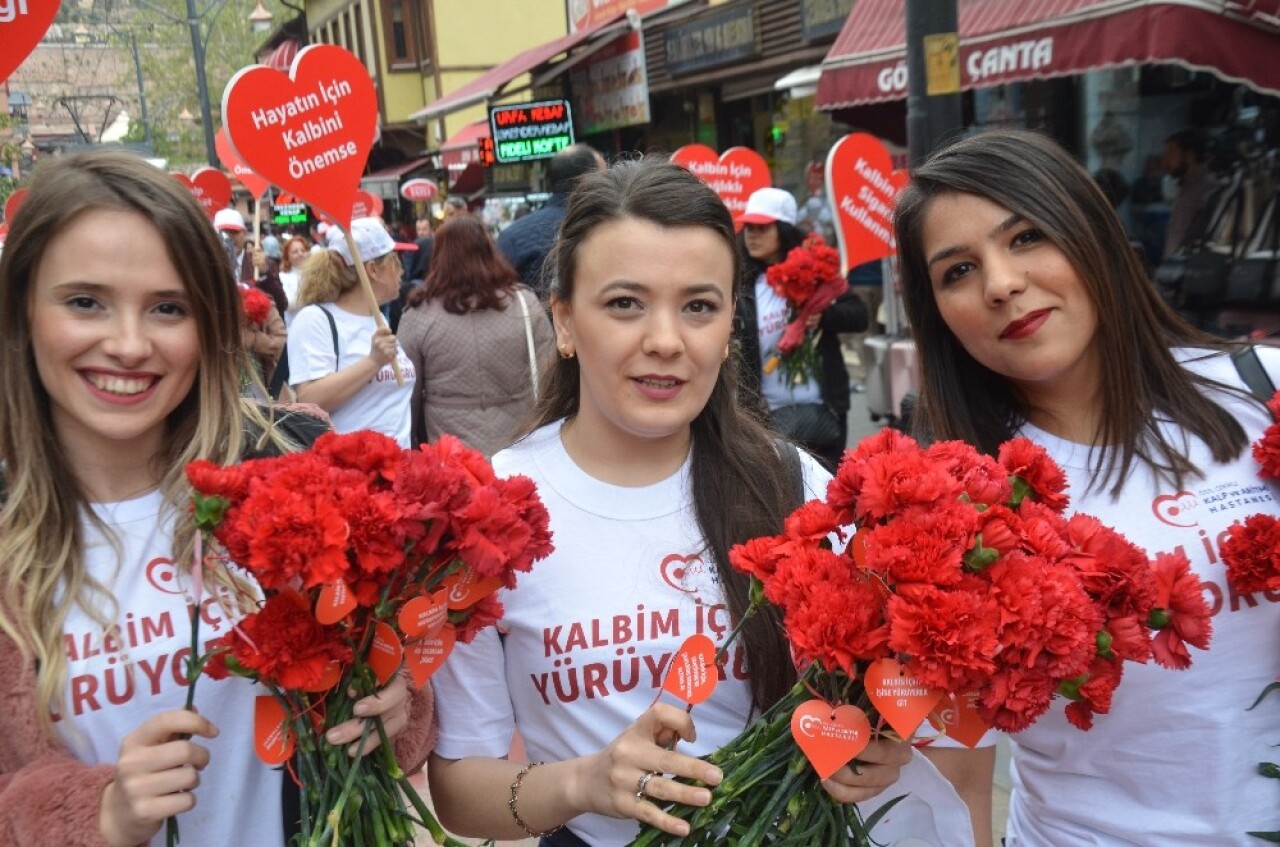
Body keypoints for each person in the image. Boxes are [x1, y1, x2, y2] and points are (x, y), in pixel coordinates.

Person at [425, 159, 961, 847]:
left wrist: (873, 749)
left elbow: (872, 694)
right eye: (625, 303)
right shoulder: (496, 517)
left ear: (729, 325)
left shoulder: (793, 485)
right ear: (562, 320)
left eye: (699, 306)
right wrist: (584, 783)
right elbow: (461, 788)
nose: (667, 341)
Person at [0, 150, 434, 846]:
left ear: (207, 325)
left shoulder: (286, 477)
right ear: (23, 311)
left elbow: (394, 713)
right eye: (86, 301)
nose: (129, 343)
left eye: (167, 308)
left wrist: (393, 701)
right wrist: (94, 815)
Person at [894, 128, 1280, 845]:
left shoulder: (1261, 392)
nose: (1002, 284)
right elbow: (957, 779)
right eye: (957, 271)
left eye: (1028, 236)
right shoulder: (954, 507)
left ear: (1091, 232)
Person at [733, 187, 868, 473]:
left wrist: (825, 316)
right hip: (767, 415)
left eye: (762, 227)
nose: (752, 235)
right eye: (748, 228)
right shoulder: (741, 283)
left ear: (783, 229)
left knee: (828, 494)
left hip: (825, 409)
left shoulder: (815, 274)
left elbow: (859, 316)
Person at [397, 215, 555, 457]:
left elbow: (408, 393)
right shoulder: (525, 303)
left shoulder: (418, 314)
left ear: (439, 256)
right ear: (489, 250)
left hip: (450, 451)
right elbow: (549, 374)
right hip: (517, 443)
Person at [289, 217, 417, 447]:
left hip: (398, 471)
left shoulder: (377, 320)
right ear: (373, 270)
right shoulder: (315, 320)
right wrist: (372, 362)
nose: (402, 270)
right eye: (395, 261)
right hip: (352, 474)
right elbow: (309, 400)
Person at [498, 144, 606, 297]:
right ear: (587, 180)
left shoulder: (512, 237)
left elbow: (500, 298)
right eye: (606, 175)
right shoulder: (612, 227)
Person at [1161, 127, 1223, 259]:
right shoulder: (1184, 187)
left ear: (1189, 156)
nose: (1166, 161)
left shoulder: (1209, 189)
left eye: (1171, 154)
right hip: (1173, 267)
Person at [277, 234, 311, 325]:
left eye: (303, 250)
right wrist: (311, 296)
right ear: (287, 257)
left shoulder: (316, 274)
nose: (300, 254)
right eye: (295, 252)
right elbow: (288, 304)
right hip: (294, 325)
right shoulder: (282, 277)